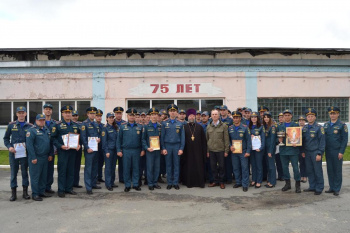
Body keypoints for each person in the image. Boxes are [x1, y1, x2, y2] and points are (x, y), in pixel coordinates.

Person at [3, 106, 32, 201]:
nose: (21, 114)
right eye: (19, 113)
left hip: (24, 154)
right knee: (13, 173)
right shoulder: (11, 125)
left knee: (25, 173)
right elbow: (6, 139)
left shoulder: (30, 126)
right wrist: (10, 147)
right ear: (16, 114)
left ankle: (25, 192)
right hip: (14, 153)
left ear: (26, 114)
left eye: (23, 112)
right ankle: (13, 193)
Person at [51, 106, 81, 197]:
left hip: (72, 151)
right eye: (66, 112)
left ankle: (69, 188)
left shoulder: (75, 125)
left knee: (71, 170)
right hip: (63, 151)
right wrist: (60, 146)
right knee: (62, 171)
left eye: (69, 112)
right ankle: (61, 189)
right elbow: (53, 138)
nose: (68, 114)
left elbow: (78, 137)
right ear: (62, 114)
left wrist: (78, 145)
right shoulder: (57, 125)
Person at [117, 108, 144, 192]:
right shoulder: (122, 127)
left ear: (135, 116)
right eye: (130, 115)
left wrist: (143, 149)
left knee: (136, 168)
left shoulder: (139, 127)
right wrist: (118, 150)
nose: (132, 117)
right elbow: (119, 140)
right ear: (127, 116)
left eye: (133, 115)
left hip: (137, 150)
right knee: (126, 168)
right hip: (126, 151)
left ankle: (135, 184)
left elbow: (142, 140)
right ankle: (127, 185)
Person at [26, 114, 52, 201]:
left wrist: (50, 154)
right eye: (40, 120)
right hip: (36, 158)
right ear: (36, 121)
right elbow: (29, 146)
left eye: (43, 120)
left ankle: (42, 191)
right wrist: (33, 157)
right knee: (35, 177)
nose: (42, 121)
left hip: (45, 157)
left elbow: (49, 143)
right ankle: (35, 194)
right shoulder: (32, 131)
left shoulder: (46, 130)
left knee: (43, 176)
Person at [324, 106, 348, 196]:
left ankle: (337, 188)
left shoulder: (342, 125)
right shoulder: (326, 125)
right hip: (328, 151)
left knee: (337, 170)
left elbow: (344, 140)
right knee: (330, 170)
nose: (333, 115)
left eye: (334, 113)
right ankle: (332, 187)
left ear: (338, 114)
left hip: (337, 151)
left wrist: (341, 152)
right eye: (331, 113)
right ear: (329, 114)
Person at [301, 108, 325, 195]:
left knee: (317, 170)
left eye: (312, 116)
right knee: (309, 170)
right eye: (308, 116)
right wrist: (303, 151)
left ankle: (319, 187)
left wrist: (320, 153)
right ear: (306, 118)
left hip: (315, 152)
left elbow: (322, 141)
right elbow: (303, 141)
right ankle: (312, 186)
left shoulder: (319, 128)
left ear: (315, 117)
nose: (310, 118)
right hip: (307, 152)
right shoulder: (305, 128)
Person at [161, 104, 185, 190]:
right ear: (168, 112)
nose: (172, 112)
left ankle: (175, 182)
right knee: (168, 165)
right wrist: (163, 148)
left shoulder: (180, 124)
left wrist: (181, 148)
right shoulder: (164, 123)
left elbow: (182, 137)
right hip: (167, 146)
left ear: (176, 112)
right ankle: (169, 182)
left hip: (176, 146)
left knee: (176, 165)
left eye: (174, 111)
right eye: (171, 111)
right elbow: (162, 137)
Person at [277, 109, 301, 193]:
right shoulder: (280, 126)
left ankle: (297, 185)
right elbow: (277, 138)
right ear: (283, 117)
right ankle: (287, 184)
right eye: (285, 115)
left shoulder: (295, 125)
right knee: (284, 168)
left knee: (295, 168)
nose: (287, 117)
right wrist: (279, 140)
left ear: (291, 116)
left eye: (288, 115)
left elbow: (299, 137)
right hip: (283, 150)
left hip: (293, 150)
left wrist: (297, 143)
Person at [182, 109, 207, 188]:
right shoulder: (184, 127)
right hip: (187, 151)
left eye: (193, 115)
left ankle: (199, 183)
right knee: (188, 166)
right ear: (187, 117)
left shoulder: (200, 127)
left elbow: (203, 141)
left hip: (198, 151)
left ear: (195, 116)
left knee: (198, 165)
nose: (192, 117)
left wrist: (204, 151)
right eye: (190, 116)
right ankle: (189, 182)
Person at [228, 111, 251, 192]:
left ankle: (245, 184)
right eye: (234, 117)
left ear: (240, 118)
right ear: (233, 119)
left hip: (243, 151)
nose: (236, 119)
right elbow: (228, 140)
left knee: (244, 168)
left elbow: (248, 140)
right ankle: (238, 182)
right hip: (234, 152)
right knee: (236, 168)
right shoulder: (230, 128)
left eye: (237, 117)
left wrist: (248, 151)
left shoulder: (245, 127)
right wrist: (230, 146)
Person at [206, 109, 230, 189]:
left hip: (221, 150)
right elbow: (207, 139)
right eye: (213, 114)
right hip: (211, 150)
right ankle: (215, 181)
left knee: (222, 167)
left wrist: (226, 150)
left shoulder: (224, 126)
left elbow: (226, 139)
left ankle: (221, 182)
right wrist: (207, 151)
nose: (214, 116)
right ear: (211, 116)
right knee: (213, 167)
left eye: (216, 114)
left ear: (219, 116)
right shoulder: (209, 126)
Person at [81, 106, 101, 195]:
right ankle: (88, 187)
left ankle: (93, 184)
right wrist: (86, 147)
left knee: (94, 167)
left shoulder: (96, 124)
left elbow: (99, 135)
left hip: (96, 149)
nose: (93, 115)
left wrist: (99, 139)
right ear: (88, 114)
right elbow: (83, 137)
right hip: (89, 150)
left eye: (94, 113)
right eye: (91, 113)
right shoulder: (84, 124)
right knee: (88, 169)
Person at [142, 108, 162, 190]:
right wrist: (146, 148)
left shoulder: (160, 126)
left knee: (157, 167)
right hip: (150, 150)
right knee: (150, 167)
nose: (154, 116)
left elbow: (162, 138)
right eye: (152, 115)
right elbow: (143, 139)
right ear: (149, 116)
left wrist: (162, 148)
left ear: (157, 116)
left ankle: (155, 182)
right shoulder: (146, 127)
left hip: (158, 150)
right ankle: (150, 183)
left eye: (155, 115)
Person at [101, 112, 119, 191]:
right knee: (108, 167)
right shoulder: (105, 128)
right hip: (109, 150)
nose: (111, 119)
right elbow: (104, 141)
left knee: (113, 167)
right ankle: (108, 184)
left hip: (115, 150)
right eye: (110, 117)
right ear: (107, 119)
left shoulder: (115, 127)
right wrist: (106, 151)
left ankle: (112, 182)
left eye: (112, 117)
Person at [249, 112, 265, 188]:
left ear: (257, 118)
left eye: (255, 117)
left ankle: (259, 181)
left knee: (259, 165)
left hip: (258, 149)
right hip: (251, 149)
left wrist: (261, 148)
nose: (253, 118)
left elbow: (263, 139)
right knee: (253, 165)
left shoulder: (261, 127)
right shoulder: (248, 127)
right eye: (252, 117)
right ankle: (253, 180)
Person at [43, 103, 57, 194]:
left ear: (51, 111)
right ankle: (42, 187)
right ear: (44, 110)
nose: (48, 110)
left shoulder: (55, 123)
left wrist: (56, 149)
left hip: (51, 150)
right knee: (42, 169)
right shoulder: (40, 121)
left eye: (50, 109)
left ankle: (48, 187)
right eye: (46, 109)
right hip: (42, 150)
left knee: (50, 169)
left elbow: (56, 137)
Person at [262, 111, 277, 188]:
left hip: (270, 149)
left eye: (267, 117)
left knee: (271, 166)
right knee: (268, 166)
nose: (266, 118)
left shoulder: (272, 127)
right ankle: (269, 180)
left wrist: (270, 151)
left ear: (270, 118)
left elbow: (272, 140)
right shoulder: (264, 126)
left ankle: (273, 182)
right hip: (265, 149)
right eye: (265, 117)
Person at [114, 106, 126, 183]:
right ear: (115, 114)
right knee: (112, 165)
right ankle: (112, 180)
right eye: (117, 113)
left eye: (120, 113)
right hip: (112, 147)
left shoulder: (125, 123)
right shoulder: (111, 122)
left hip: (122, 146)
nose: (119, 115)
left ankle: (122, 178)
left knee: (122, 164)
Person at [200, 111, 213, 184]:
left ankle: (211, 179)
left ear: (208, 117)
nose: (204, 117)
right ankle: (203, 178)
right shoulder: (198, 125)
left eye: (205, 116)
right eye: (202, 116)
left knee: (210, 164)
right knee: (202, 164)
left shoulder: (211, 125)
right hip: (201, 147)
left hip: (210, 146)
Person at [72, 110, 83, 188]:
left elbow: (82, 136)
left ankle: (76, 183)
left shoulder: (80, 124)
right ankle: (70, 183)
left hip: (78, 148)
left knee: (77, 166)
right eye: (73, 115)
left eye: (76, 115)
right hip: (70, 148)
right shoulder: (68, 125)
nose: (75, 117)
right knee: (70, 167)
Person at [96, 109, 105, 184]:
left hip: (101, 147)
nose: (99, 118)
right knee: (95, 163)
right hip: (94, 147)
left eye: (100, 116)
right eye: (97, 116)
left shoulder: (103, 126)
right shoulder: (93, 125)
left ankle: (99, 177)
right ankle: (95, 178)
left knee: (101, 162)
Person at [298, 115, 307, 183]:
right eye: (300, 121)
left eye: (303, 121)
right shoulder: (296, 129)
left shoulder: (306, 128)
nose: (301, 122)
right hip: (298, 148)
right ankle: (301, 175)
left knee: (305, 162)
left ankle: (305, 176)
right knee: (301, 163)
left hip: (305, 148)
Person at [275, 112, 284, 181]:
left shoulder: (285, 126)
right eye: (279, 117)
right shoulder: (276, 126)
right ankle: (280, 175)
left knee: (283, 162)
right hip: (278, 145)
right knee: (278, 161)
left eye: (282, 117)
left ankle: (283, 175)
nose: (281, 118)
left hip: (285, 146)